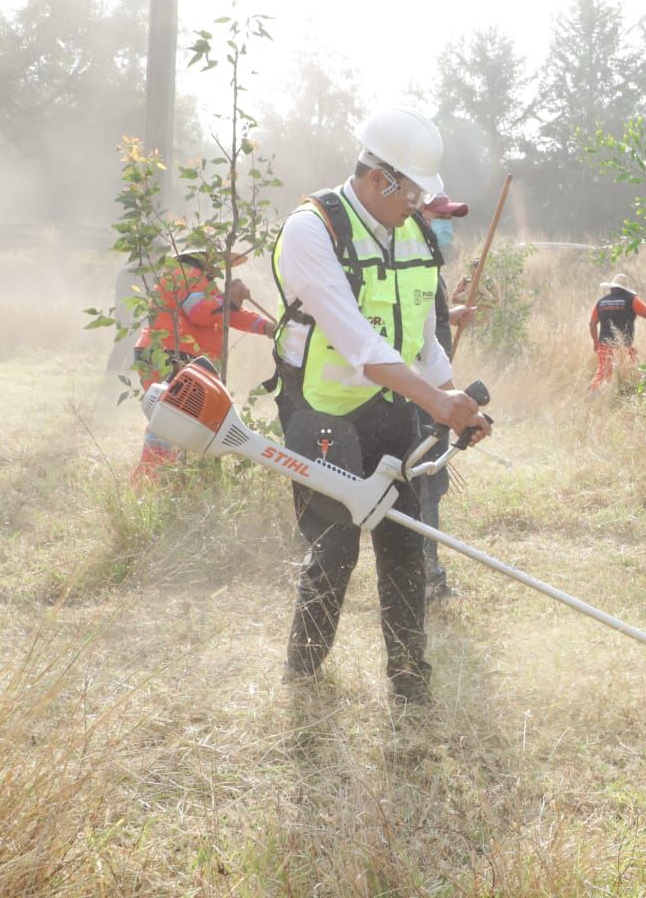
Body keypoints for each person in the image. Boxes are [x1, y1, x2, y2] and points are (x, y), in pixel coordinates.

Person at [269, 105, 490, 707]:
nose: (419, 204)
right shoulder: (313, 229)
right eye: (412, 191)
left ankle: (410, 679)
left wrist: (457, 398)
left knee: (403, 539)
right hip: (319, 408)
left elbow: (421, 339)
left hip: (392, 403)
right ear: (378, 179)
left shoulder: (413, 234)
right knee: (336, 543)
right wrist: (437, 403)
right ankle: (305, 674)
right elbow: (359, 344)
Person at [132, 245, 274, 479]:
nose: (219, 268)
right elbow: (200, 312)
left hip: (172, 355)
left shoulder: (199, 281)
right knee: (170, 420)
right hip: (168, 354)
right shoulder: (185, 275)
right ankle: (152, 481)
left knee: (174, 421)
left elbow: (227, 314)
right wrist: (231, 300)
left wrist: (267, 327)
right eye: (217, 260)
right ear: (202, 256)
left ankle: (165, 480)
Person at [414, 193, 475, 603]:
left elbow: (427, 323)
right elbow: (419, 344)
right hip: (417, 395)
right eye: (441, 217)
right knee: (427, 485)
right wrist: (448, 400)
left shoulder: (428, 266)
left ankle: (422, 573)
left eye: (450, 219)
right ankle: (425, 577)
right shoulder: (411, 263)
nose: (447, 226)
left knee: (429, 485)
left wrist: (452, 315)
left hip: (430, 391)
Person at [589, 273, 646, 389]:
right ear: (625, 289)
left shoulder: (601, 302)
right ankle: (624, 395)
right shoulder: (631, 300)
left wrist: (596, 342)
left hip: (604, 345)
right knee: (630, 373)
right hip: (624, 347)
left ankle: (594, 396)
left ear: (612, 288)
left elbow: (592, 324)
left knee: (603, 375)